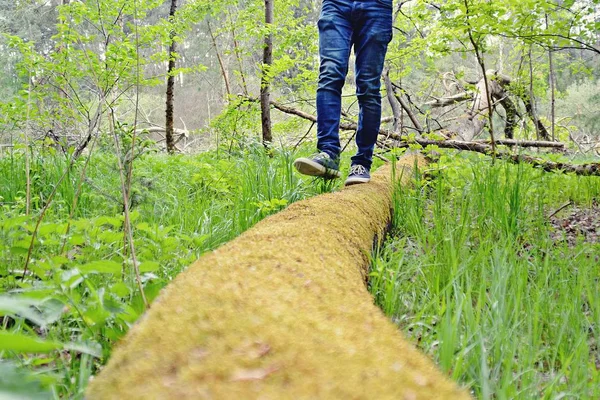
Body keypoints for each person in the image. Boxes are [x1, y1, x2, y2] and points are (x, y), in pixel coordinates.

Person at [294, 0, 393, 186]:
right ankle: (328, 154)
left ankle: (362, 163)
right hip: (336, 4)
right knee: (329, 74)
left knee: (369, 85)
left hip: (377, 6)